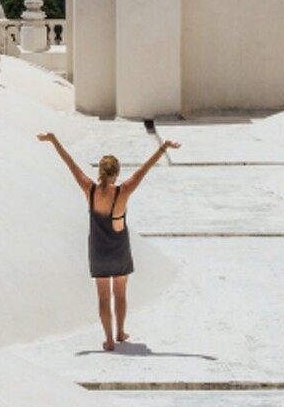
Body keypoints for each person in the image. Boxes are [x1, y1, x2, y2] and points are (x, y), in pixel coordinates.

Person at [36, 132, 180, 351]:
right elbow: (144, 170)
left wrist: (54, 140)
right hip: (119, 247)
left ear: (100, 172)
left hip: (98, 250)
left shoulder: (90, 189)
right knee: (120, 293)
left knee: (103, 297)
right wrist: (164, 148)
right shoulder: (124, 191)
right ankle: (121, 331)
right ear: (117, 173)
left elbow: (70, 164)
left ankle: (109, 339)